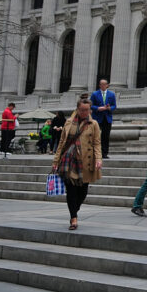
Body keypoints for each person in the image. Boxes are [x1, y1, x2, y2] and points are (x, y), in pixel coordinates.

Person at [51, 98, 102, 230]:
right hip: (68, 160)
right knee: (71, 191)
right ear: (77, 109)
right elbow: (62, 143)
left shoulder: (94, 124)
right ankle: (73, 217)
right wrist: (56, 161)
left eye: (87, 110)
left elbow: (97, 143)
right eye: (82, 110)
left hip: (86, 161)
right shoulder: (68, 123)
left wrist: (98, 159)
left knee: (83, 192)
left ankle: (74, 210)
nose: (85, 112)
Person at [90, 79, 117, 159]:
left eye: (104, 84)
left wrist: (109, 108)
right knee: (96, 136)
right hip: (97, 118)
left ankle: (104, 153)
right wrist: (98, 108)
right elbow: (91, 105)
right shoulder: (95, 94)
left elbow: (114, 106)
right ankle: (94, 152)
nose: (103, 86)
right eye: (101, 84)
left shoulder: (111, 94)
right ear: (99, 85)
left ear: (107, 85)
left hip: (107, 118)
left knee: (106, 136)